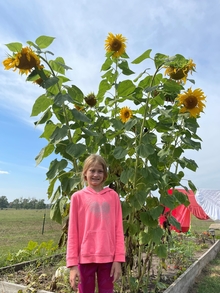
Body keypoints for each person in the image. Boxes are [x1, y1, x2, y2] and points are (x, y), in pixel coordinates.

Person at [66, 154, 125, 293]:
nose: (96, 174)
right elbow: (73, 232)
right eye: (92, 170)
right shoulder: (77, 197)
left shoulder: (113, 196)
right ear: (85, 173)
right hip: (85, 258)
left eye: (100, 171)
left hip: (108, 258)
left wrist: (118, 259)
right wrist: (73, 265)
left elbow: (118, 229)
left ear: (105, 174)